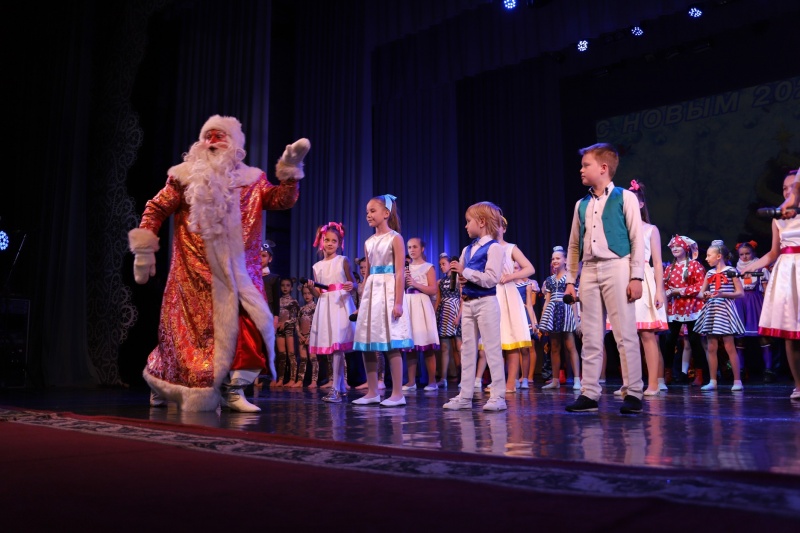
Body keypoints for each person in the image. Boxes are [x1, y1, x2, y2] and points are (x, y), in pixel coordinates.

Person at [128, 114, 309, 412]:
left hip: (241, 275)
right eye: (208, 137)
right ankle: (162, 382)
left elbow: (281, 200)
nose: (212, 143)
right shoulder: (183, 177)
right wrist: (145, 250)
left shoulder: (252, 181)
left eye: (220, 137)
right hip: (192, 275)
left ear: (235, 146)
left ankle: (234, 391)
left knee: (251, 328)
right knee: (187, 340)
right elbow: (156, 208)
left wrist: (290, 170)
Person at [564, 143, 645, 415]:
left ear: (603, 168)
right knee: (590, 335)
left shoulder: (625, 197)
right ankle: (589, 392)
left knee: (624, 334)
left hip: (617, 266)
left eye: (586, 165)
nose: (581, 169)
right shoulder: (582, 204)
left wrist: (636, 276)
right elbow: (573, 245)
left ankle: (633, 392)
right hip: (589, 270)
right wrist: (570, 281)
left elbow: (637, 239)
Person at [443, 201, 507, 412]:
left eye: (468, 221)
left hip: (486, 303)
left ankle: (498, 396)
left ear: (481, 222)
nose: (465, 225)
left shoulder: (495, 248)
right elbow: (466, 277)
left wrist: (466, 272)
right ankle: (465, 396)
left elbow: (491, 278)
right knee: (467, 350)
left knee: (492, 349)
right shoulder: (467, 249)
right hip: (469, 303)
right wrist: (462, 278)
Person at [352, 194, 413, 406]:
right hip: (372, 293)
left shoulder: (395, 238)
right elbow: (367, 274)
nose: (368, 215)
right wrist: (362, 303)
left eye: (372, 211)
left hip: (388, 291)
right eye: (367, 212)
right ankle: (372, 392)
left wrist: (398, 302)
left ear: (386, 213)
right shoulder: (368, 242)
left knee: (391, 342)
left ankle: (397, 393)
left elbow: (400, 272)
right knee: (367, 342)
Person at [747, 170, 800, 401]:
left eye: (793, 187)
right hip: (788, 273)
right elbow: (773, 253)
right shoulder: (778, 219)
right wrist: (750, 267)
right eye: (784, 188)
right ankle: (798, 385)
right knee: (791, 333)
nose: (788, 191)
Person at [307, 222, 358, 402]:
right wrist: (311, 288)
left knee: (337, 346)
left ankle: (336, 388)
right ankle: (341, 386)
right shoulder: (317, 266)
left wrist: (352, 285)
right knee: (332, 347)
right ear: (321, 241)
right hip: (325, 305)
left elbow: (354, 283)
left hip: (340, 304)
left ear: (339, 243)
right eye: (327, 240)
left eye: (334, 241)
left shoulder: (343, 260)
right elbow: (318, 294)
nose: (329, 243)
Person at [627, 180, 669, 396]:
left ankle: (653, 383)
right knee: (625, 336)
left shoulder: (650, 230)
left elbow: (658, 263)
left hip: (643, 277)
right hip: (623, 277)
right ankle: (629, 383)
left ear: (641, 204)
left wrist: (659, 290)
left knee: (646, 333)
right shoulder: (621, 230)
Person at [695, 240, 745, 391]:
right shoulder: (709, 273)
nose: (706, 258)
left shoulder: (731, 271)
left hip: (725, 309)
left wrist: (723, 294)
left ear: (719, 256)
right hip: (712, 310)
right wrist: (705, 294)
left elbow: (740, 293)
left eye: (709, 255)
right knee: (711, 346)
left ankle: (737, 381)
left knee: (729, 346)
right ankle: (713, 381)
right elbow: (700, 294)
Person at [494, 217, 535, 393]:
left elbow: (529, 268)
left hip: (507, 292)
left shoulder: (510, 248)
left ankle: (511, 382)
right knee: (494, 340)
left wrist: (511, 276)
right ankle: (497, 381)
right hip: (492, 292)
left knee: (510, 337)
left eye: (498, 226)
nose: (495, 228)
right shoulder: (485, 248)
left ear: (504, 229)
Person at [663, 235, 708, 386]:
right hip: (675, 307)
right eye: (673, 246)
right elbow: (665, 286)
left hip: (692, 306)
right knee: (670, 340)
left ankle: (700, 374)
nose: (675, 248)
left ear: (685, 248)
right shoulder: (669, 268)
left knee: (694, 340)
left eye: (678, 246)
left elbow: (701, 285)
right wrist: (668, 292)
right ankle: (667, 373)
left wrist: (680, 291)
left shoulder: (695, 265)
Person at [539, 246, 580, 390]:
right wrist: (543, 319)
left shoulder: (570, 278)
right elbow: (547, 301)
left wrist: (576, 320)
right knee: (554, 347)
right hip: (553, 311)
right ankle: (555, 380)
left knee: (570, 346)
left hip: (566, 310)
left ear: (565, 260)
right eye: (553, 259)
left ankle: (577, 379)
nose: (554, 261)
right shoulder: (549, 280)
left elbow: (573, 300)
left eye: (558, 258)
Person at [402, 238, 441, 391]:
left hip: (422, 305)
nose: (412, 250)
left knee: (427, 344)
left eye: (415, 247)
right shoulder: (405, 268)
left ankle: (432, 381)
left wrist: (415, 283)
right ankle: (411, 381)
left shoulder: (428, 267)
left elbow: (433, 290)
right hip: (408, 303)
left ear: (422, 248)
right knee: (410, 345)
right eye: (409, 247)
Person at [733, 240, 773, 382]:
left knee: (763, 336)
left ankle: (768, 370)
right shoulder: (735, 270)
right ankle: (740, 369)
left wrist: (768, 307)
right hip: (740, 303)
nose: (744, 257)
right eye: (741, 254)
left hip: (756, 303)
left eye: (747, 254)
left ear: (753, 253)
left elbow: (766, 290)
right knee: (740, 338)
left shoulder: (760, 269)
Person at [434, 252, 462, 389]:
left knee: (459, 347)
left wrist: (459, 316)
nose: (441, 266)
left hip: (456, 312)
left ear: (451, 264)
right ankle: (443, 378)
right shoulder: (440, 282)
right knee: (444, 347)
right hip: (444, 313)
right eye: (440, 264)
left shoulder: (458, 280)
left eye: (443, 264)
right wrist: (434, 314)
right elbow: (438, 300)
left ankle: (464, 377)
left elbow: (463, 299)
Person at [260, 241, 281, 389]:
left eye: (264, 256)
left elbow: (276, 301)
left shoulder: (273, 278)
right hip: (255, 313)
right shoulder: (252, 275)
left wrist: (276, 318)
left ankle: (270, 376)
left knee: (268, 346)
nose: (260, 259)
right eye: (258, 256)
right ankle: (254, 376)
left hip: (268, 313)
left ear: (270, 258)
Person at [275, 277, 301, 387]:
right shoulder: (278, 301)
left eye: (288, 285)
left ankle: (292, 379)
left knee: (291, 354)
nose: (285, 288)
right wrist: (276, 323)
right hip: (279, 329)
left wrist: (285, 323)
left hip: (289, 329)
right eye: (283, 285)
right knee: (281, 354)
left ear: (291, 288)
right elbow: (275, 315)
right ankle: (280, 379)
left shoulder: (293, 301)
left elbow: (296, 318)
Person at [296, 284, 318, 388]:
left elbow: (316, 323)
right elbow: (297, 323)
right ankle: (300, 381)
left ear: (313, 294)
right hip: (302, 336)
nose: (307, 295)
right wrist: (299, 335)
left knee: (313, 359)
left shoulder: (315, 307)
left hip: (311, 336)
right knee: (303, 359)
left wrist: (310, 336)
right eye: (304, 293)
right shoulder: (301, 309)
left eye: (309, 293)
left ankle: (314, 381)